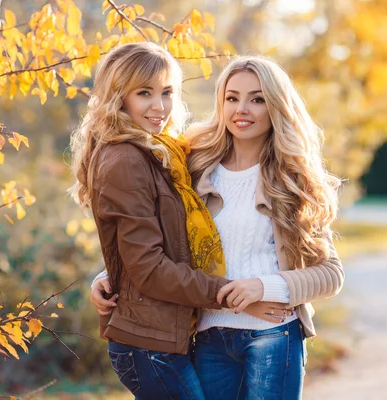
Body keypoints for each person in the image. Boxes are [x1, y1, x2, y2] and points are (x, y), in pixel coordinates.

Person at [91, 55, 344, 400]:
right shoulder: (195, 162)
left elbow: (330, 274)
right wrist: (111, 274)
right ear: (220, 103)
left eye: (257, 99)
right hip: (209, 336)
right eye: (232, 97)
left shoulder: (293, 178)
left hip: (274, 335)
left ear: (275, 107)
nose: (243, 109)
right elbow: (157, 239)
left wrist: (264, 287)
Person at [70, 43, 278, 400]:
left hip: (165, 335)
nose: (159, 106)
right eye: (144, 93)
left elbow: (151, 245)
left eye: (167, 92)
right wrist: (233, 297)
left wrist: (109, 275)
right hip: (147, 344)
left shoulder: (162, 153)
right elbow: (149, 269)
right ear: (119, 97)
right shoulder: (126, 160)